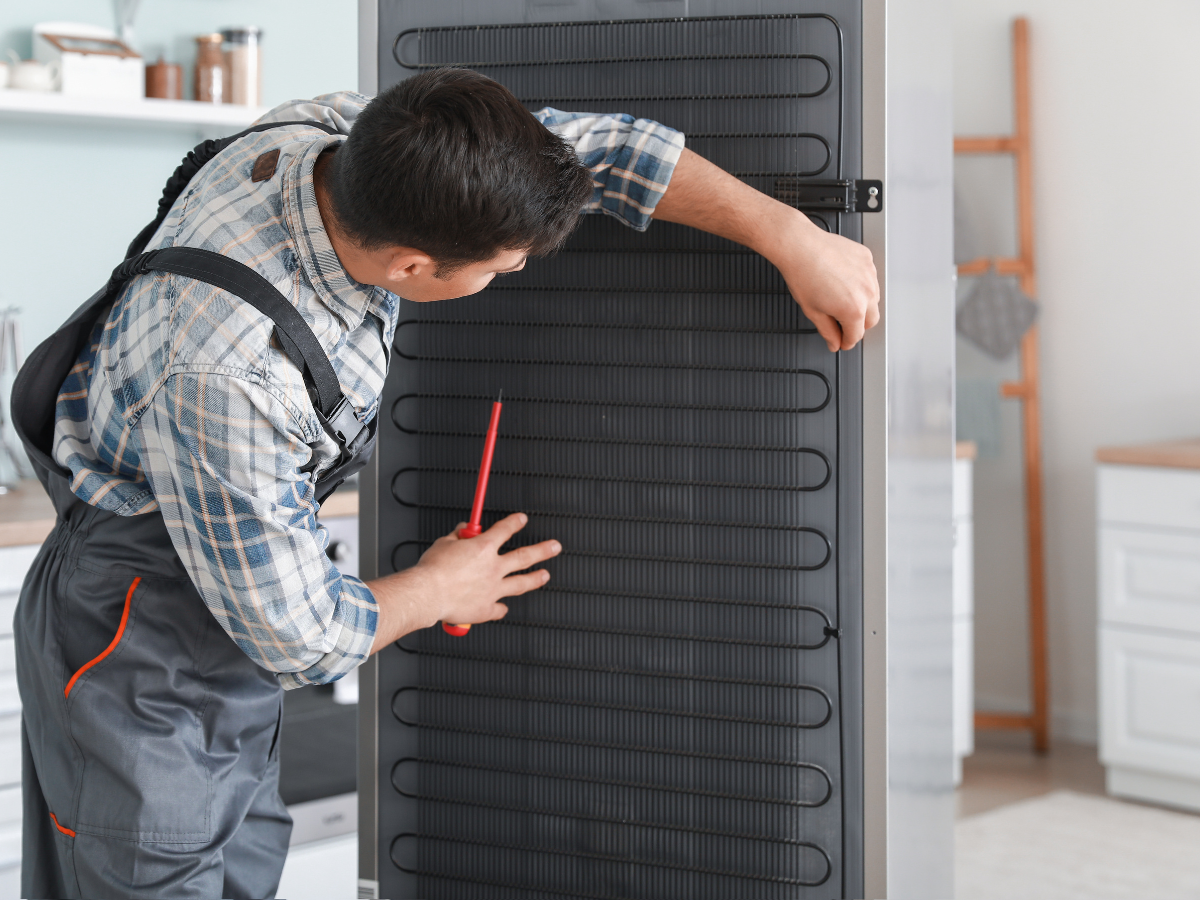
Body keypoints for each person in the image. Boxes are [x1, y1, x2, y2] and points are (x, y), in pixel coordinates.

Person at [13, 68, 878, 899]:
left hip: (211, 603)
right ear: (413, 267)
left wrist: (788, 234)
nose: (518, 273)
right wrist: (437, 587)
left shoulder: (348, 138)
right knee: (155, 873)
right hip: (135, 630)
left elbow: (600, 150)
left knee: (238, 861)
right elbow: (298, 636)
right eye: (501, 267)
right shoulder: (231, 370)